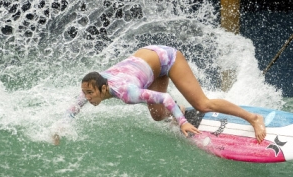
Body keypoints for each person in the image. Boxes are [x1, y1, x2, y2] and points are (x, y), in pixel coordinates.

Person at [60, 45, 266, 144]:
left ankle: (253, 118)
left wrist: (183, 122)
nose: (87, 97)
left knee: (203, 104)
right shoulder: (96, 82)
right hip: (149, 67)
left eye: (90, 93)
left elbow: (165, 98)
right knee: (158, 115)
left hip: (166, 58)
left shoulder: (126, 93)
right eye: (85, 92)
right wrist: (62, 126)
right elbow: (75, 104)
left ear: (103, 89)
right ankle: (180, 109)